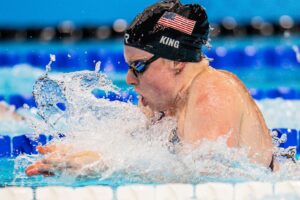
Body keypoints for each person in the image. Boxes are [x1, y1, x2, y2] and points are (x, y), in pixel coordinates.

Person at [25, 0, 275, 177]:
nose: (129, 79)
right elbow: (137, 150)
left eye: (139, 66)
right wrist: (79, 154)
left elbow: (210, 181)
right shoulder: (165, 104)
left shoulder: (212, 94)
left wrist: (101, 166)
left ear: (176, 61)